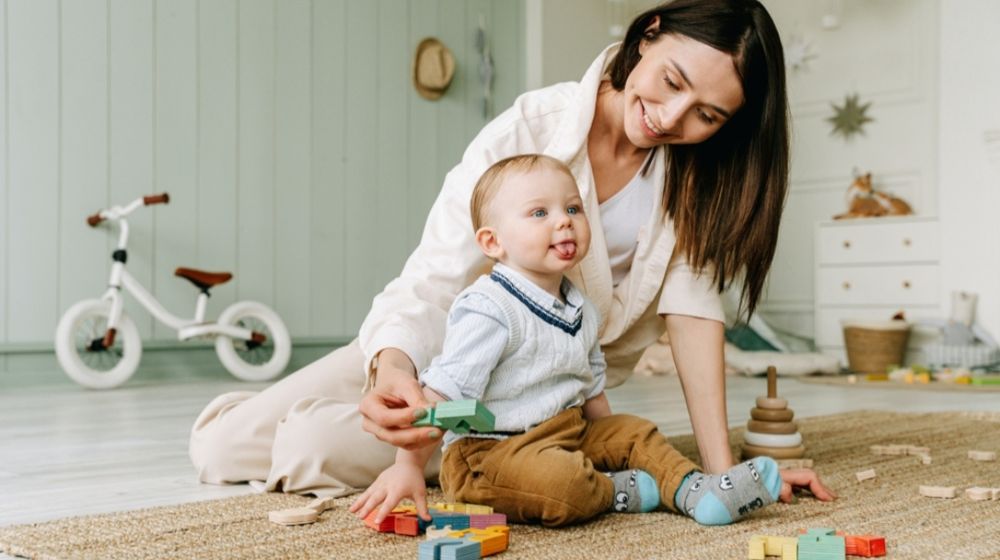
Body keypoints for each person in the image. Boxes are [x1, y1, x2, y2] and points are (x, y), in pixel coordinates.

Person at [190, 0, 835, 505]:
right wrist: (393, 369)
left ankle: (508, 453)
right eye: (671, 81)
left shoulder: (696, 180)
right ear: (649, 34)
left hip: (537, 396)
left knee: (307, 445)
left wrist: (724, 474)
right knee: (219, 448)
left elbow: (694, 317)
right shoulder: (531, 129)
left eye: (708, 115)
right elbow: (435, 277)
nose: (671, 117)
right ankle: (441, 436)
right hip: (443, 344)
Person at [349, 153, 786, 528]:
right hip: (490, 455)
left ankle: (698, 492)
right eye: (540, 213)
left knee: (637, 432)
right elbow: (443, 396)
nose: (564, 221)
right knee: (563, 482)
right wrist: (406, 466)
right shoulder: (489, 308)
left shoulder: (580, 306)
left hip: (566, 431)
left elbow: (590, 386)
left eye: (573, 209)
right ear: (492, 242)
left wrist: (614, 444)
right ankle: (615, 491)